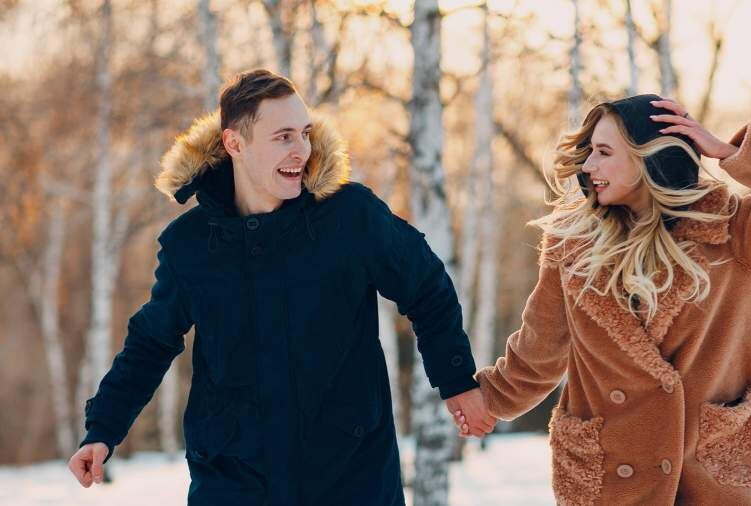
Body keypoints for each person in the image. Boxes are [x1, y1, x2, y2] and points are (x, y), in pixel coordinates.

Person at [67, 68, 495, 505]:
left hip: (351, 477)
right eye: (283, 137)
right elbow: (150, 343)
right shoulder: (191, 245)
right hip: (235, 482)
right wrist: (103, 429)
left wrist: (456, 380)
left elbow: (427, 287)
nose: (302, 150)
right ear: (235, 143)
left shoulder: (349, 217)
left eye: (305, 133)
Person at [452, 94, 751, 505]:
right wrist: (488, 400)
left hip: (710, 473)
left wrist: (727, 152)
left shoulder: (732, 230)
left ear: (649, 157)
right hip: (609, 474)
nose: (588, 166)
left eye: (604, 152)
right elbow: (541, 347)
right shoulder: (572, 244)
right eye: (589, 152)